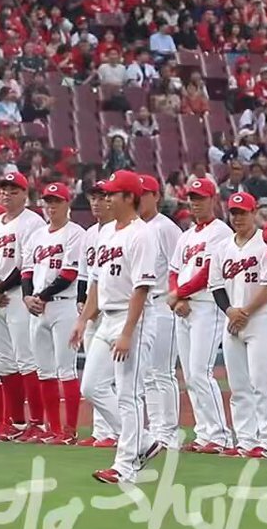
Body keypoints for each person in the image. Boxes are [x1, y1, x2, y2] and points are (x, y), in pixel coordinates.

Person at [70, 170, 163, 483]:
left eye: (112, 193)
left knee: (128, 394)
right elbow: (96, 280)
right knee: (92, 386)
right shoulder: (106, 232)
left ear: (129, 198)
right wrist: (84, 319)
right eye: (105, 193)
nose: (106, 198)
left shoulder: (142, 234)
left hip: (133, 318)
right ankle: (143, 441)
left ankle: (125, 467)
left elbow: (142, 288)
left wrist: (127, 332)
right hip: (107, 316)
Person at [210, 193, 267, 458]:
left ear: (254, 212)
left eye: (243, 212)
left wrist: (244, 313)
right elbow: (216, 286)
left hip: (262, 319)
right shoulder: (222, 248)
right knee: (238, 385)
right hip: (232, 322)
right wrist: (231, 312)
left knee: (262, 382)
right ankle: (245, 440)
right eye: (234, 213)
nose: (238, 217)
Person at [169, 176, 234, 453]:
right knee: (190, 375)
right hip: (184, 308)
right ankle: (204, 433)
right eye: (192, 199)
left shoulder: (220, 232)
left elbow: (209, 273)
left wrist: (179, 293)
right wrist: (177, 296)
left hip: (207, 305)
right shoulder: (186, 236)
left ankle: (219, 435)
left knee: (200, 372)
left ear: (213, 200)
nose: (195, 203)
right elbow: (173, 271)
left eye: (200, 198)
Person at [0, 171, 47, 439]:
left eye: (13, 190)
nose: (7, 194)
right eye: (4, 190)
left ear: (25, 194)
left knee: (26, 360)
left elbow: (25, 264)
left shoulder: (32, 222)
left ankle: (38, 422)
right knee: (4, 363)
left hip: (18, 295)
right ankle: (16, 422)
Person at [22, 183, 85, 442]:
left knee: (66, 369)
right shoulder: (36, 236)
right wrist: (27, 296)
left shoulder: (75, 234)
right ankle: (53, 429)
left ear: (67, 204)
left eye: (56, 201)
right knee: (44, 370)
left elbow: (70, 274)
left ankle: (69, 431)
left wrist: (39, 297)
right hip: (38, 308)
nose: (51, 206)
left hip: (64, 305)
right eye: (48, 202)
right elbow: (26, 270)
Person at [138, 174, 183, 450]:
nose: (140, 198)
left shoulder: (166, 228)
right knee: (147, 374)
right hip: (141, 305)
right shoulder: (132, 228)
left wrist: (177, 298)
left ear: (156, 196)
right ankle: (155, 429)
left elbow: (179, 267)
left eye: (145, 194)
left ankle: (169, 431)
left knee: (163, 371)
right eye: (137, 194)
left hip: (163, 302)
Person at [75, 180, 118, 448]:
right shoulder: (90, 234)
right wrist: (82, 303)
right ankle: (102, 431)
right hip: (92, 309)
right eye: (93, 197)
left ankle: (115, 432)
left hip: (114, 310)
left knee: (110, 376)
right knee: (94, 371)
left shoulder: (119, 232)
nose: (96, 202)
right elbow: (84, 274)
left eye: (101, 197)